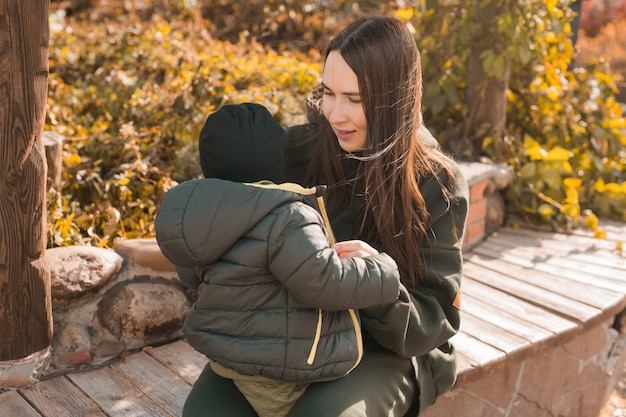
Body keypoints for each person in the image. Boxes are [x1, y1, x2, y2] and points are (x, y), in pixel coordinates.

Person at [181, 14, 469, 417]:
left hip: (385, 348)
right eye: (328, 93)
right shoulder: (298, 150)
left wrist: (375, 286)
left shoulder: (436, 182)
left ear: (395, 99)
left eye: (354, 99)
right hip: (282, 330)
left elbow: (434, 317)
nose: (335, 114)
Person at [155, 102, 402, 417]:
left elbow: (190, 276)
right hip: (287, 367)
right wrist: (382, 269)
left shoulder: (200, 219)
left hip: (231, 363)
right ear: (275, 160)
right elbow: (324, 282)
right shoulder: (287, 215)